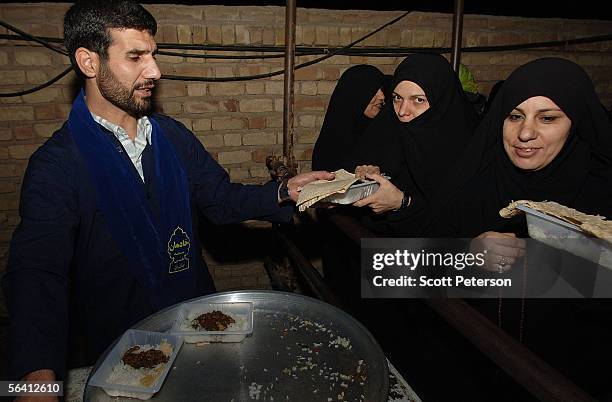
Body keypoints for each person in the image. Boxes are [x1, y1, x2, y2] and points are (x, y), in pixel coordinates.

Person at [1, 0, 333, 388]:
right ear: (89, 63)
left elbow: (221, 200)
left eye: (153, 55)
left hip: (199, 328)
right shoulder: (57, 165)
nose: (154, 71)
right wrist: (35, 381)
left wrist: (283, 191)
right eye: (136, 56)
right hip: (120, 350)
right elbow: (38, 274)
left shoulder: (172, 136)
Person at [424, 57, 612, 399]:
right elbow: (407, 272)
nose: (525, 133)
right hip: (472, 369)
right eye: (515, 116)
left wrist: (541, 258)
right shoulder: (474, 182)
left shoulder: (602, 193)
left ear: (577, 121)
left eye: (548, 118)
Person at [351, 53, 479, 234]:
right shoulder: (388, 131)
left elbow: (460, 224)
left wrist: (402, 203)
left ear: (440, 101)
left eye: (418, 100)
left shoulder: (468, 149)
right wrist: (372, 177)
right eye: (397, 98)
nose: (403, 111)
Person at [311, 64, 388, 172]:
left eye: (381, 89)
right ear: (356, 95)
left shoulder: (385, 131)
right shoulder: (331, 146)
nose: (382, 96)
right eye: (374, 91)